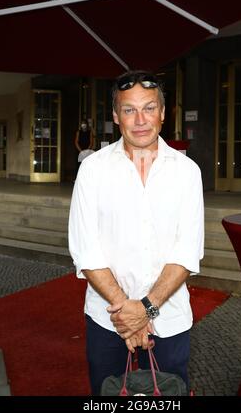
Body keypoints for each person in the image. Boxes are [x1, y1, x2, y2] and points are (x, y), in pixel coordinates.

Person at [68, 70, 204, 395]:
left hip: (169, 320)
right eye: (129, 109)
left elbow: (186, 253)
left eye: (149, 107)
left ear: (163, 113)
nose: (140, 119)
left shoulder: (187, 173)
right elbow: (85, 251)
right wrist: (127, 312)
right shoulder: (92, 169)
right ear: (116, 116)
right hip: (107, 320)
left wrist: (144, 310)